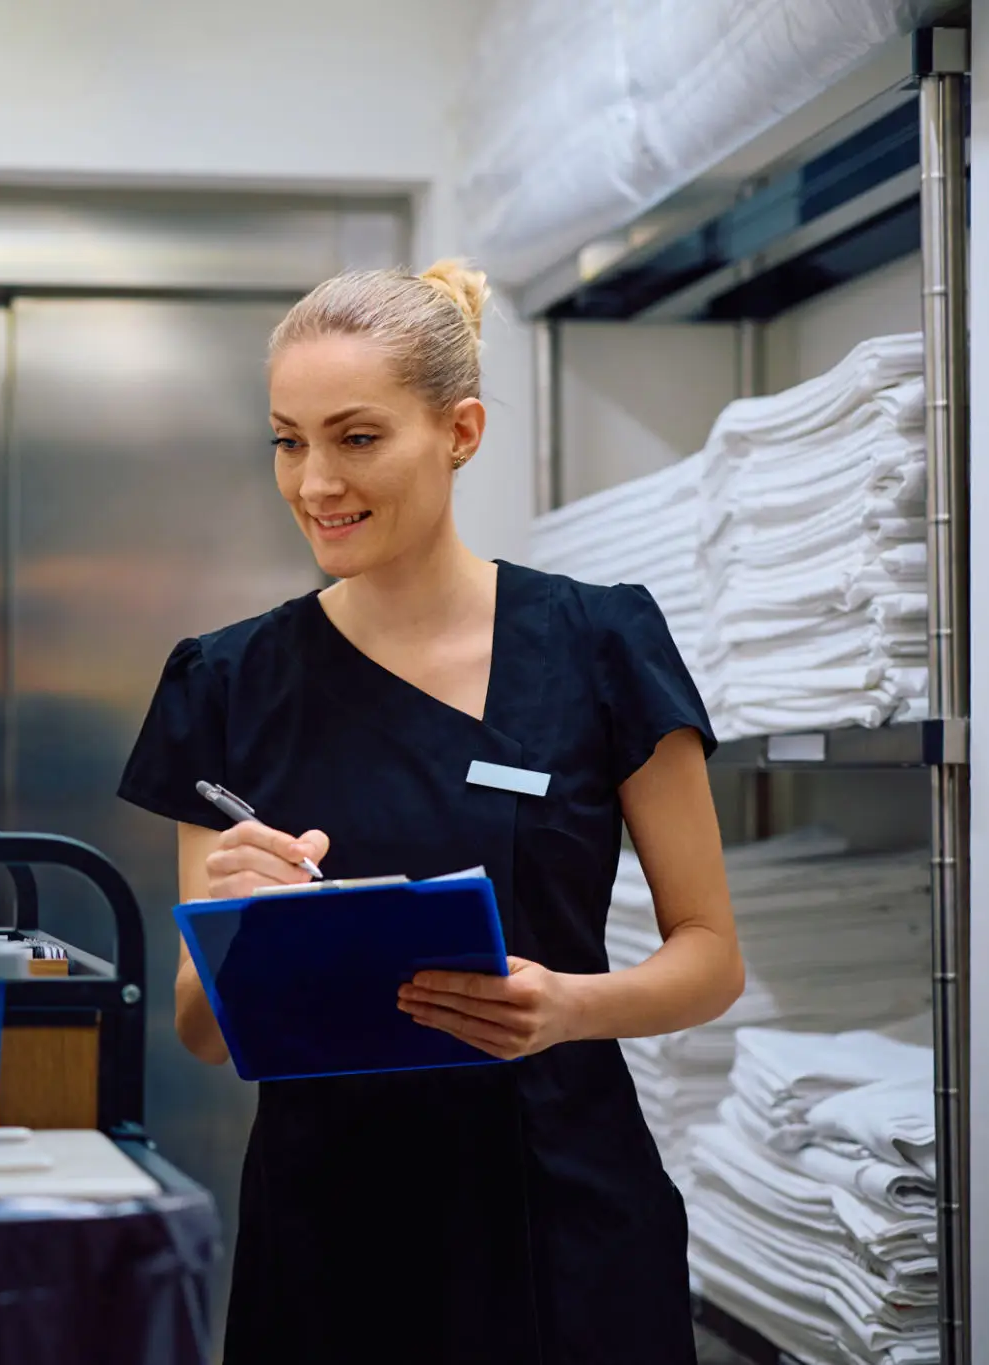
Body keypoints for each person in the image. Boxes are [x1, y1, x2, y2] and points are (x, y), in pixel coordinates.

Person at [117, 260, 743, 1364]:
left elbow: (709, 957)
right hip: (329, 1233)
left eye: (355, 438)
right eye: (286, 439)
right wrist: (237, 933)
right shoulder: (222, 681)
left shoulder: (598, 646)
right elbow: (200, 1033)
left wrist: (569, 1007)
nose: (314, 482)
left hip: (560, 1206)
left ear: (459, 431)